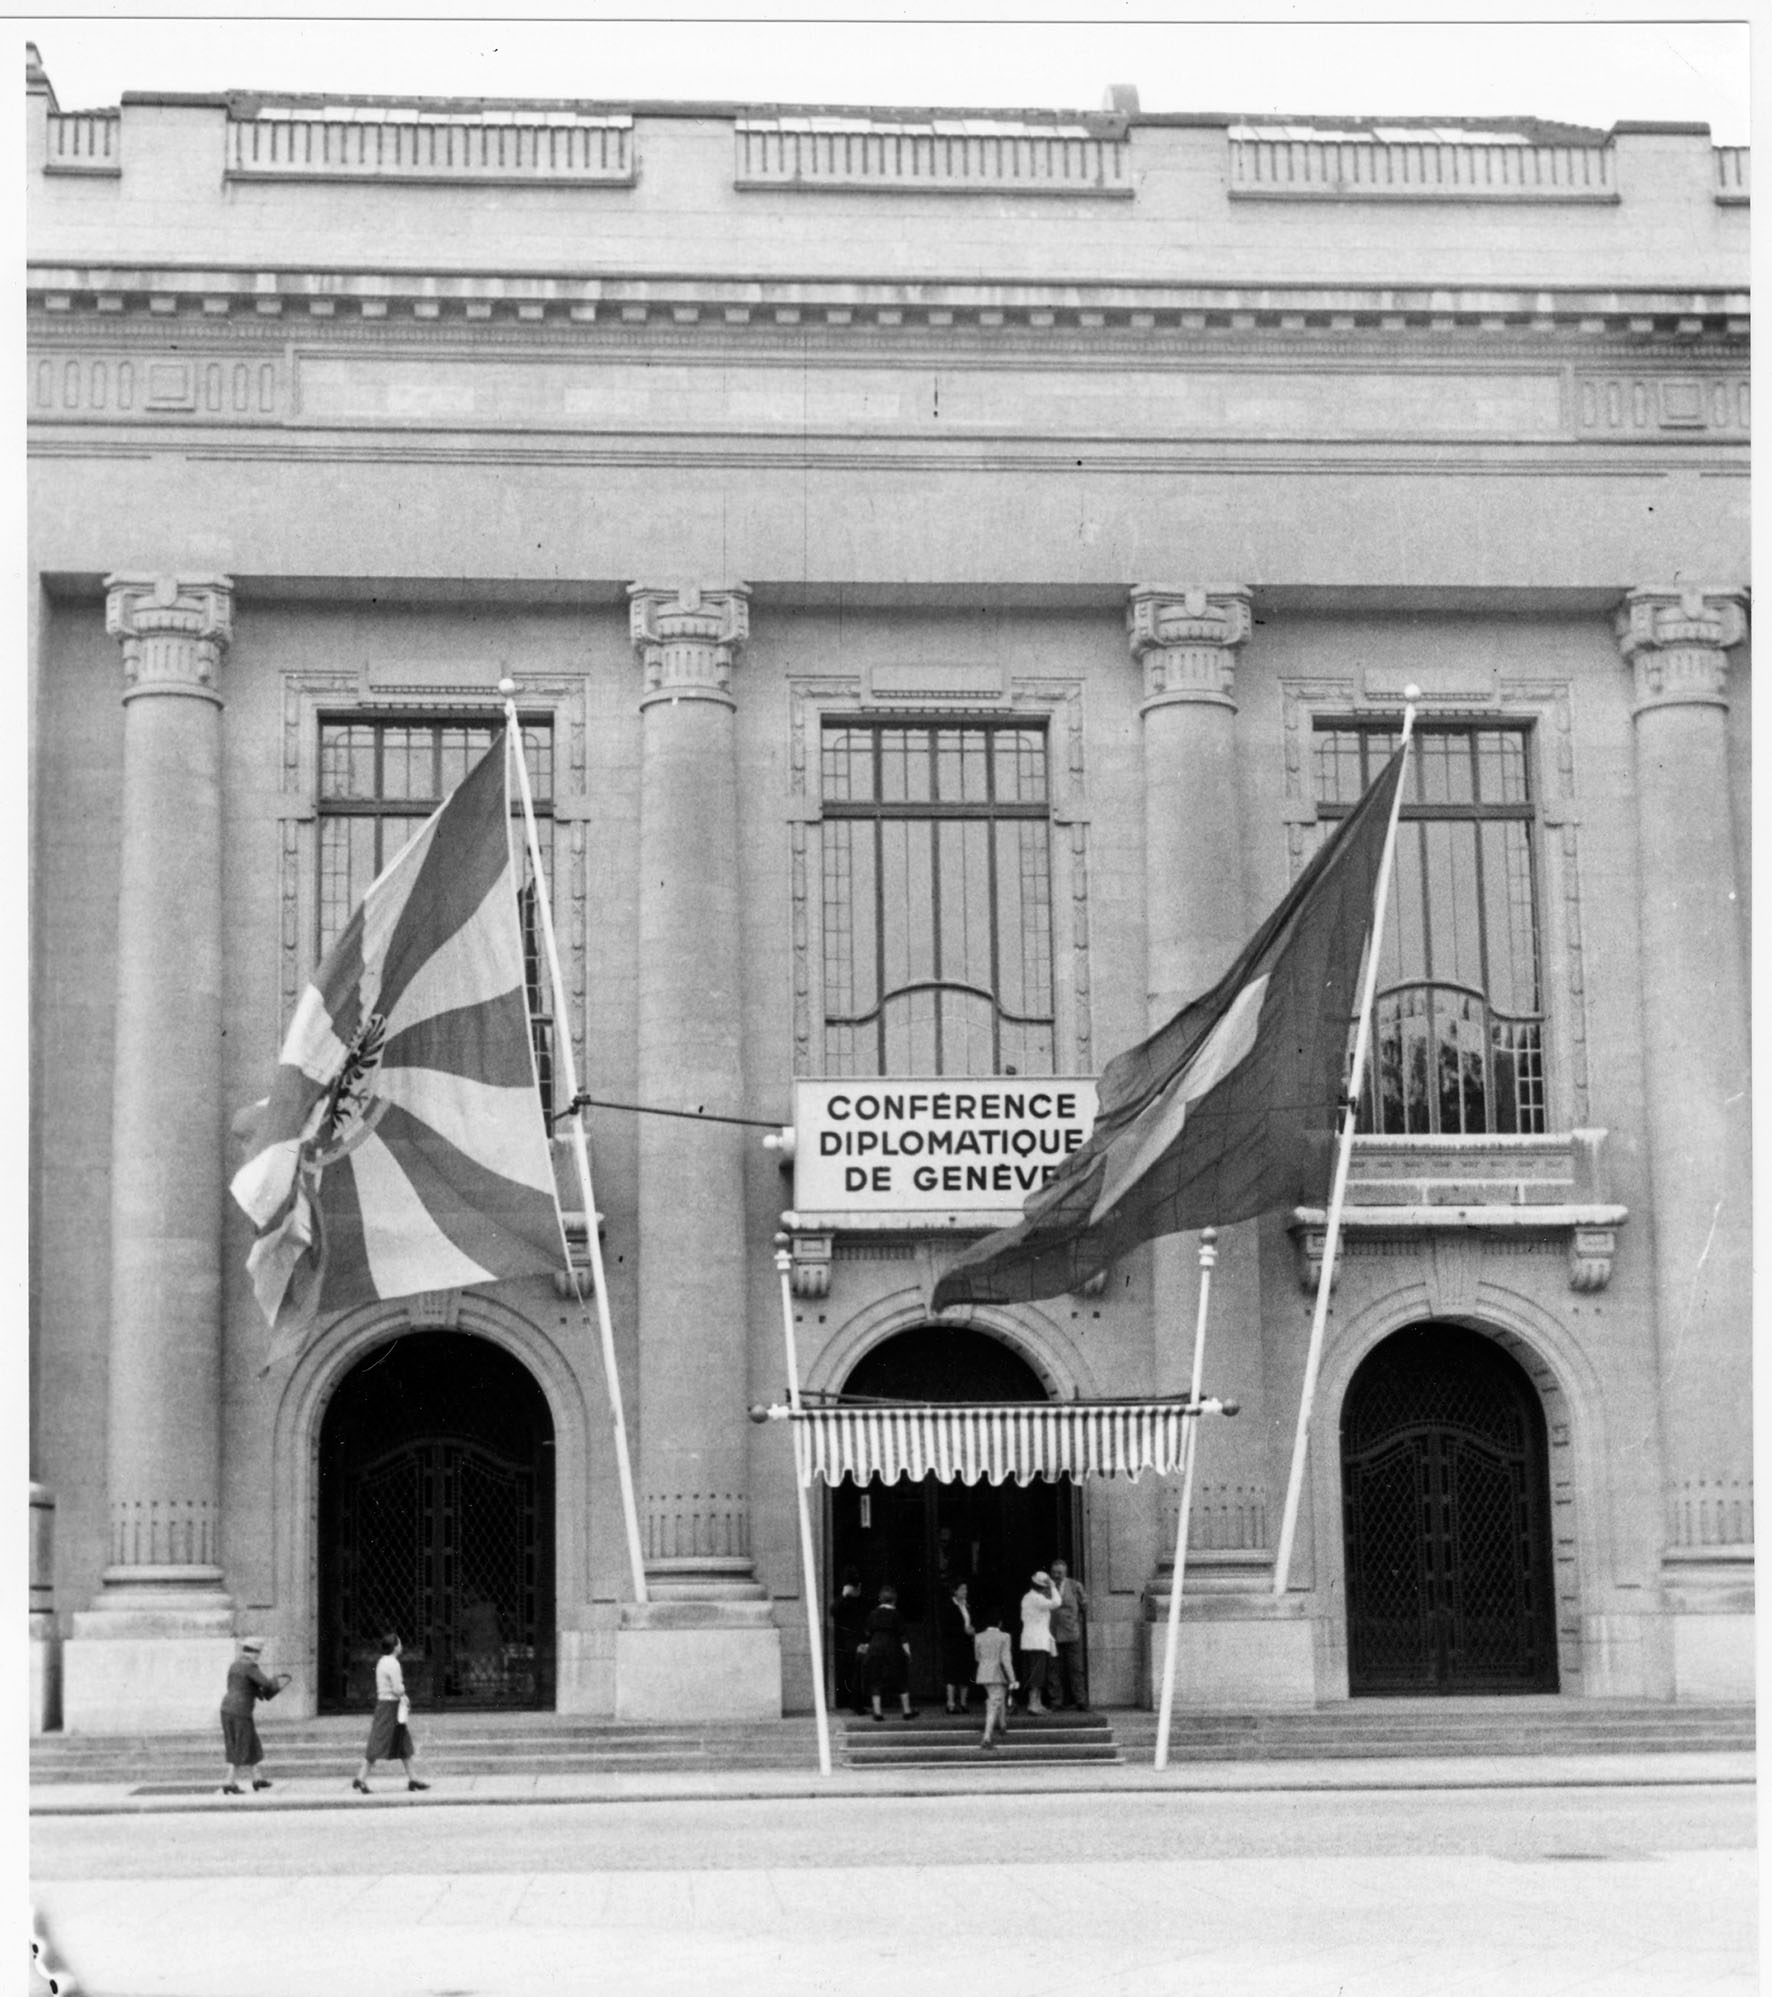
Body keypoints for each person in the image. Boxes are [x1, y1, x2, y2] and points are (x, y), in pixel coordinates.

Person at [351, 1632, 431, 1793]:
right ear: (394, 1647)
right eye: (399, 1643)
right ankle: (361, 1778)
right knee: (379, 1741)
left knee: (402, 1742)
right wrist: (404, 1694)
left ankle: (413, 1778)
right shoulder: (393, 1663)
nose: (401, 1645)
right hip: (390, 1707)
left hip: (385, 1705)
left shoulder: (382, 1661)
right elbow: (397, 1688)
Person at [218, 1636, 290, 1795]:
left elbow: (240, 1686)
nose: (258, 1656)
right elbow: (266, 1684)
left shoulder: (235, 1665)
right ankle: (229, 1781)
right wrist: (275, 1682)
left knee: (250, 1742)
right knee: (241, 1744)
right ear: (255, 1653)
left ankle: (257, 1778)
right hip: (241, 1711)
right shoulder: (250, 1666)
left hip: (227, 1708)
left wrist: (257, 1691)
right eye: (258, 1653)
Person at [861, 1582, 918, 1722]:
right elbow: (903, 1636)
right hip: (893, 1648)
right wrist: (908, 1653)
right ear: (894, 1600)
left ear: (880, 1599)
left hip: (875, 1648)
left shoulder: (873, 1614)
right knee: (901, 1679)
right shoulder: (896, 1615)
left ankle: (877, 1712)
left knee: (875, 1679)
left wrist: (867, 1648)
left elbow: (867, 1633)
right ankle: (906, 1711)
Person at [972, 1602, 1017, 1749]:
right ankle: (987, 1737)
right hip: (998, 1672)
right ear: (1000, 1623)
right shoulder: (1005, 1636)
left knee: (998, 1698)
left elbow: (977, 1657)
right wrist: (1012, 1678)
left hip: (983, 1672)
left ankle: (1003, 1724)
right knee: (995, 1702)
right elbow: (1006, 1659)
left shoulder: (978, 1637)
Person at [1017, 1570, 1062, 1714]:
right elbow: (1057, 1602)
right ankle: (1033, 1704)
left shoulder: (1027, 1597)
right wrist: (1053, 1586)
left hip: (1031, 1640)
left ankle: (1037, 1703)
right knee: (1037, 1675)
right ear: (1043, 1587)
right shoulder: (1037, 1599)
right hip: (1037, 1642)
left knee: (1037, 1673)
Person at [1049, 1558, 1090, 1711]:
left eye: (1059, 1573)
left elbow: (1084, 1605)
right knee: (1053, 1669)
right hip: (1052, 1634)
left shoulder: (1074, 1585)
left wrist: (1076, 1620)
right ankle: (1056, 1701)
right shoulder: (1047, 1587)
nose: (1056, 1576)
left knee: (1076, 1668)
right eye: (1054, 1572)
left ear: (1065, 1573)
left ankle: (1080, 1700)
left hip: (1072, 1633)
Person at [830, 1565, 867, 1714]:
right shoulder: (845, 1601)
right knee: (852, 1673)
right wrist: (844, 1596)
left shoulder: (858, 1602)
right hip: (847, 1641)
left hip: (852, 1641)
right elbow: (834, 1611)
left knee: (855, 1673)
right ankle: (852, 1702)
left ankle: (855, 1703)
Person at [940, 1578, 975, 1715]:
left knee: (965, 1673)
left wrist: (971, 1630)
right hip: (953, 1644)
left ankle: (963, 1703)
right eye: (962, 1589)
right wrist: (963, 1630)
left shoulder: (967, 1605)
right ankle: (950, 1704)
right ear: (955, 1591)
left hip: (965, 1644)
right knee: (951, 1674)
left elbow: (970, 1621)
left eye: (966, 1589)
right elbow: (946, 1626)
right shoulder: (949, 1606)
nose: (965, 1592)